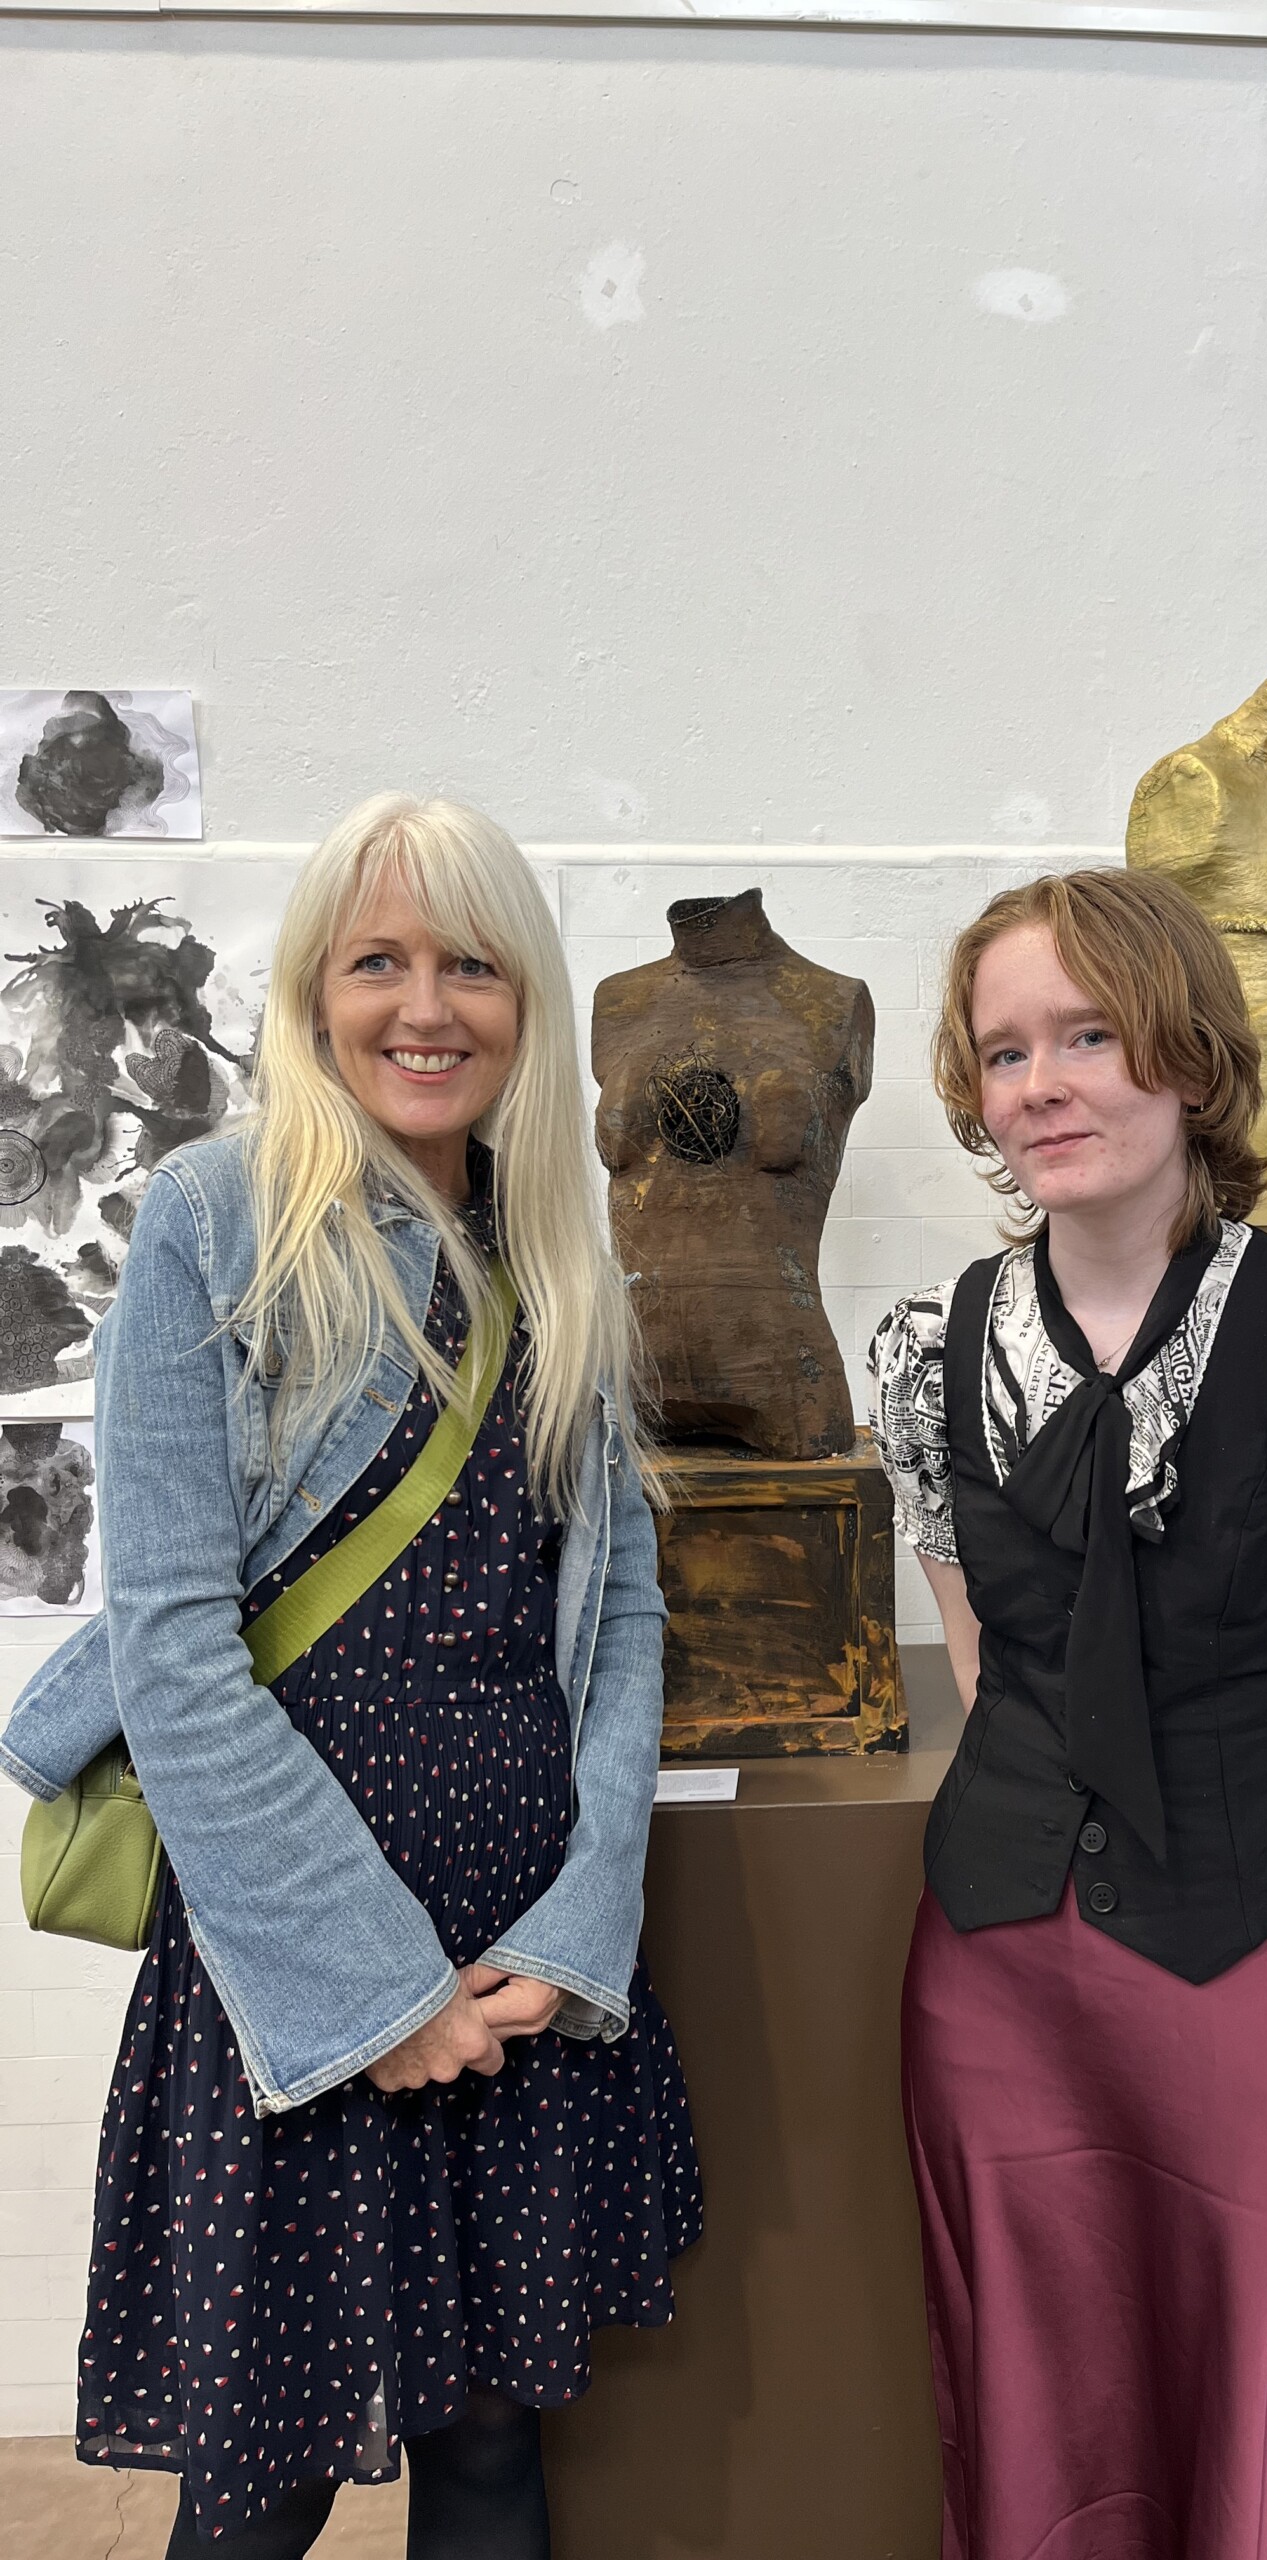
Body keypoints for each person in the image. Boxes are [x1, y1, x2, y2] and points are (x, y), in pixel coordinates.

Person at [0, 796, 700, 2554]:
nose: (426, 1006)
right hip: (300, 1954)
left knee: (494, 2444)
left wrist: (584, 1916)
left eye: (472, 964)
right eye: (378, 961)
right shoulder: (214, 1219)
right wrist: (373, 1991)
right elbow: (173, 1645)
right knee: (266, 2477)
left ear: (526, 998)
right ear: (314, 992)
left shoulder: (554, 1242)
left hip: (514, 1943)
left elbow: (617, 1611)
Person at [867, 869, 1267, 2560]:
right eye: (1004, 1053)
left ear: (1188, 1055)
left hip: (1253, 1958)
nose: (1040, 1085)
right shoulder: (928, 1349)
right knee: (1030, 2378)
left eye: (1089, 1036)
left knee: (1257, 2361)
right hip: (995, 1976)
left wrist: (1228, 1812)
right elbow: (983, 1651)